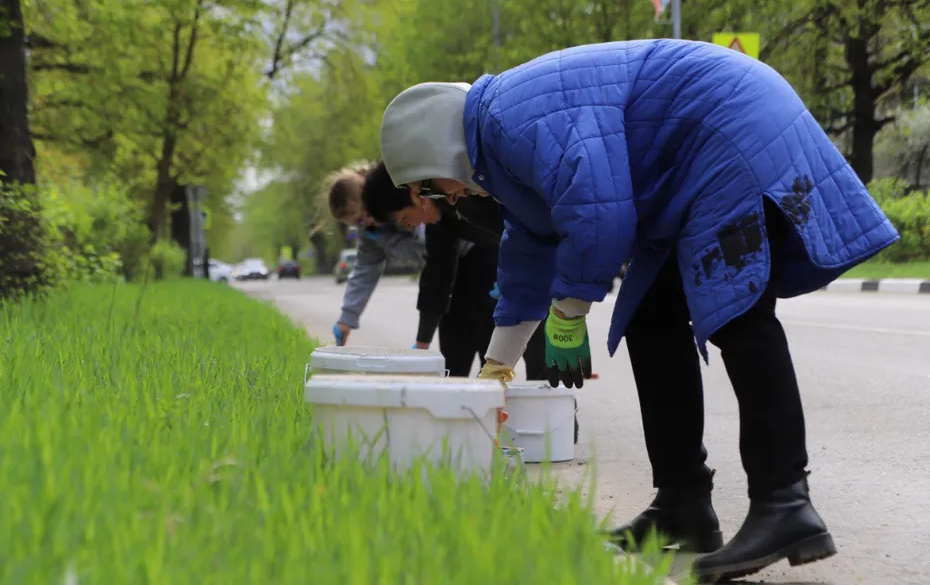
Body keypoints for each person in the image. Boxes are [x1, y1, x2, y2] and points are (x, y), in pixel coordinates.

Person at [374, 40, 900, 583]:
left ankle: (784, 501)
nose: (448, 198)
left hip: (725, 127)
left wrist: (569, 313)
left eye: (432, 186)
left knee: (737, 311)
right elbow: (529, 253)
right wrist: (497, 368)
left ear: (440, 150)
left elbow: (599, 215)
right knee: (650, 316)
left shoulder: (515, 122)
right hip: (693, 153)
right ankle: (683, 503)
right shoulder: (501, 150)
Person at [362, 159, 549, 380]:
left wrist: (518, 272)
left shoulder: (468, 196)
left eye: (404, 218)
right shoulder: (441, 221)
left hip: (537, 258)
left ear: (415, 195)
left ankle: (554, 396)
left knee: (541, 354)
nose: (409, 226)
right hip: (521, 265)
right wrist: (422, 342)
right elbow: (437, 276)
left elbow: (529, 230)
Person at [323, 162, 426, 347]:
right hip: (444, 270)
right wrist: (346, 318)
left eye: (361, 217)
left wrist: (423, 340)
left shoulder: (401, 201)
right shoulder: (371, 232)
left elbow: (434, 243)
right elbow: (365, 271)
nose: (365, 224)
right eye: (356, 224)